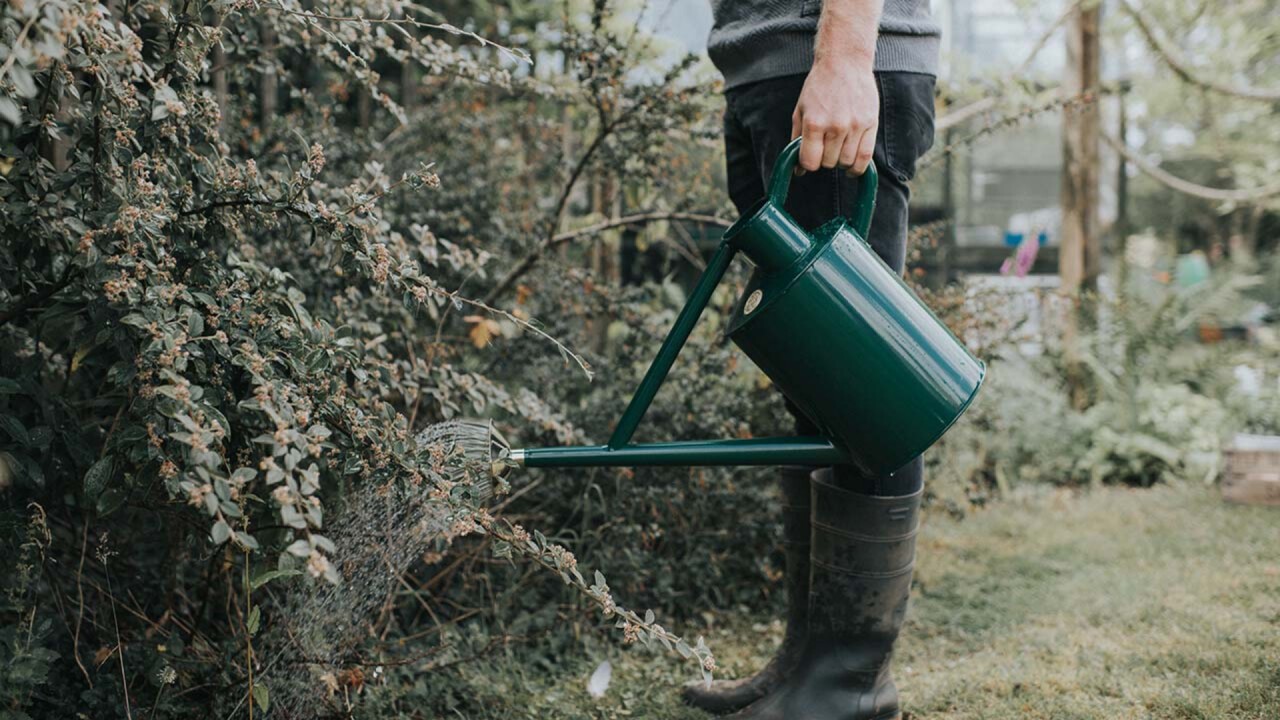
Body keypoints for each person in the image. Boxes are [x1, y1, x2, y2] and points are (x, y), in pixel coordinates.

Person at [683, 1, 940, 718]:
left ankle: (847, 688)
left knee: (861, 384)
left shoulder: (837, 64)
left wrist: (846, 58)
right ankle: (804, 669)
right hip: (769, 66)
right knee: (813, 380)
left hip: (825, 66)